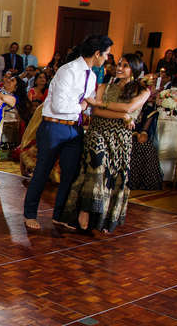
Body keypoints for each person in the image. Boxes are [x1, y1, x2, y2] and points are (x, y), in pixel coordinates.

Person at [23, 34, 111, 230]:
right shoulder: (68, 71)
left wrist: (90, 107)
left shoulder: (92, 75)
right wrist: (82, 106)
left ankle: (60, 215)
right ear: (97, 54)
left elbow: (88, 102)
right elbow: (59, 104)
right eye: (106, 54)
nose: (106, 58)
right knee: (42, 172)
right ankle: (30, 213)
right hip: (54, 126)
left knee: (70, 173)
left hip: (74, 128)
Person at [60, 53, 150, 232]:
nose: (119, 68)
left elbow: (129, 107)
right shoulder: (105, 86)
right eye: (118, 64)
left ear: (134, 69)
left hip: (120, 138)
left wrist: (106, 106)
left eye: (125, 65)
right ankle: (85, 209)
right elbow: (95, 112)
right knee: (96, 166)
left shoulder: (143, 91)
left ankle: (104, 219)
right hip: (98, 132)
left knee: (112, 175)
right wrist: (122, 115)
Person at [128, 93, 163, 191]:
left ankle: (145, 182)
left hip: (136, 136)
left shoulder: (148, 111)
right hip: (124, 134)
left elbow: (144, 131)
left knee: (147, 147)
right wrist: (134, 134)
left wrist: (142, 134)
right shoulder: (127, 108)